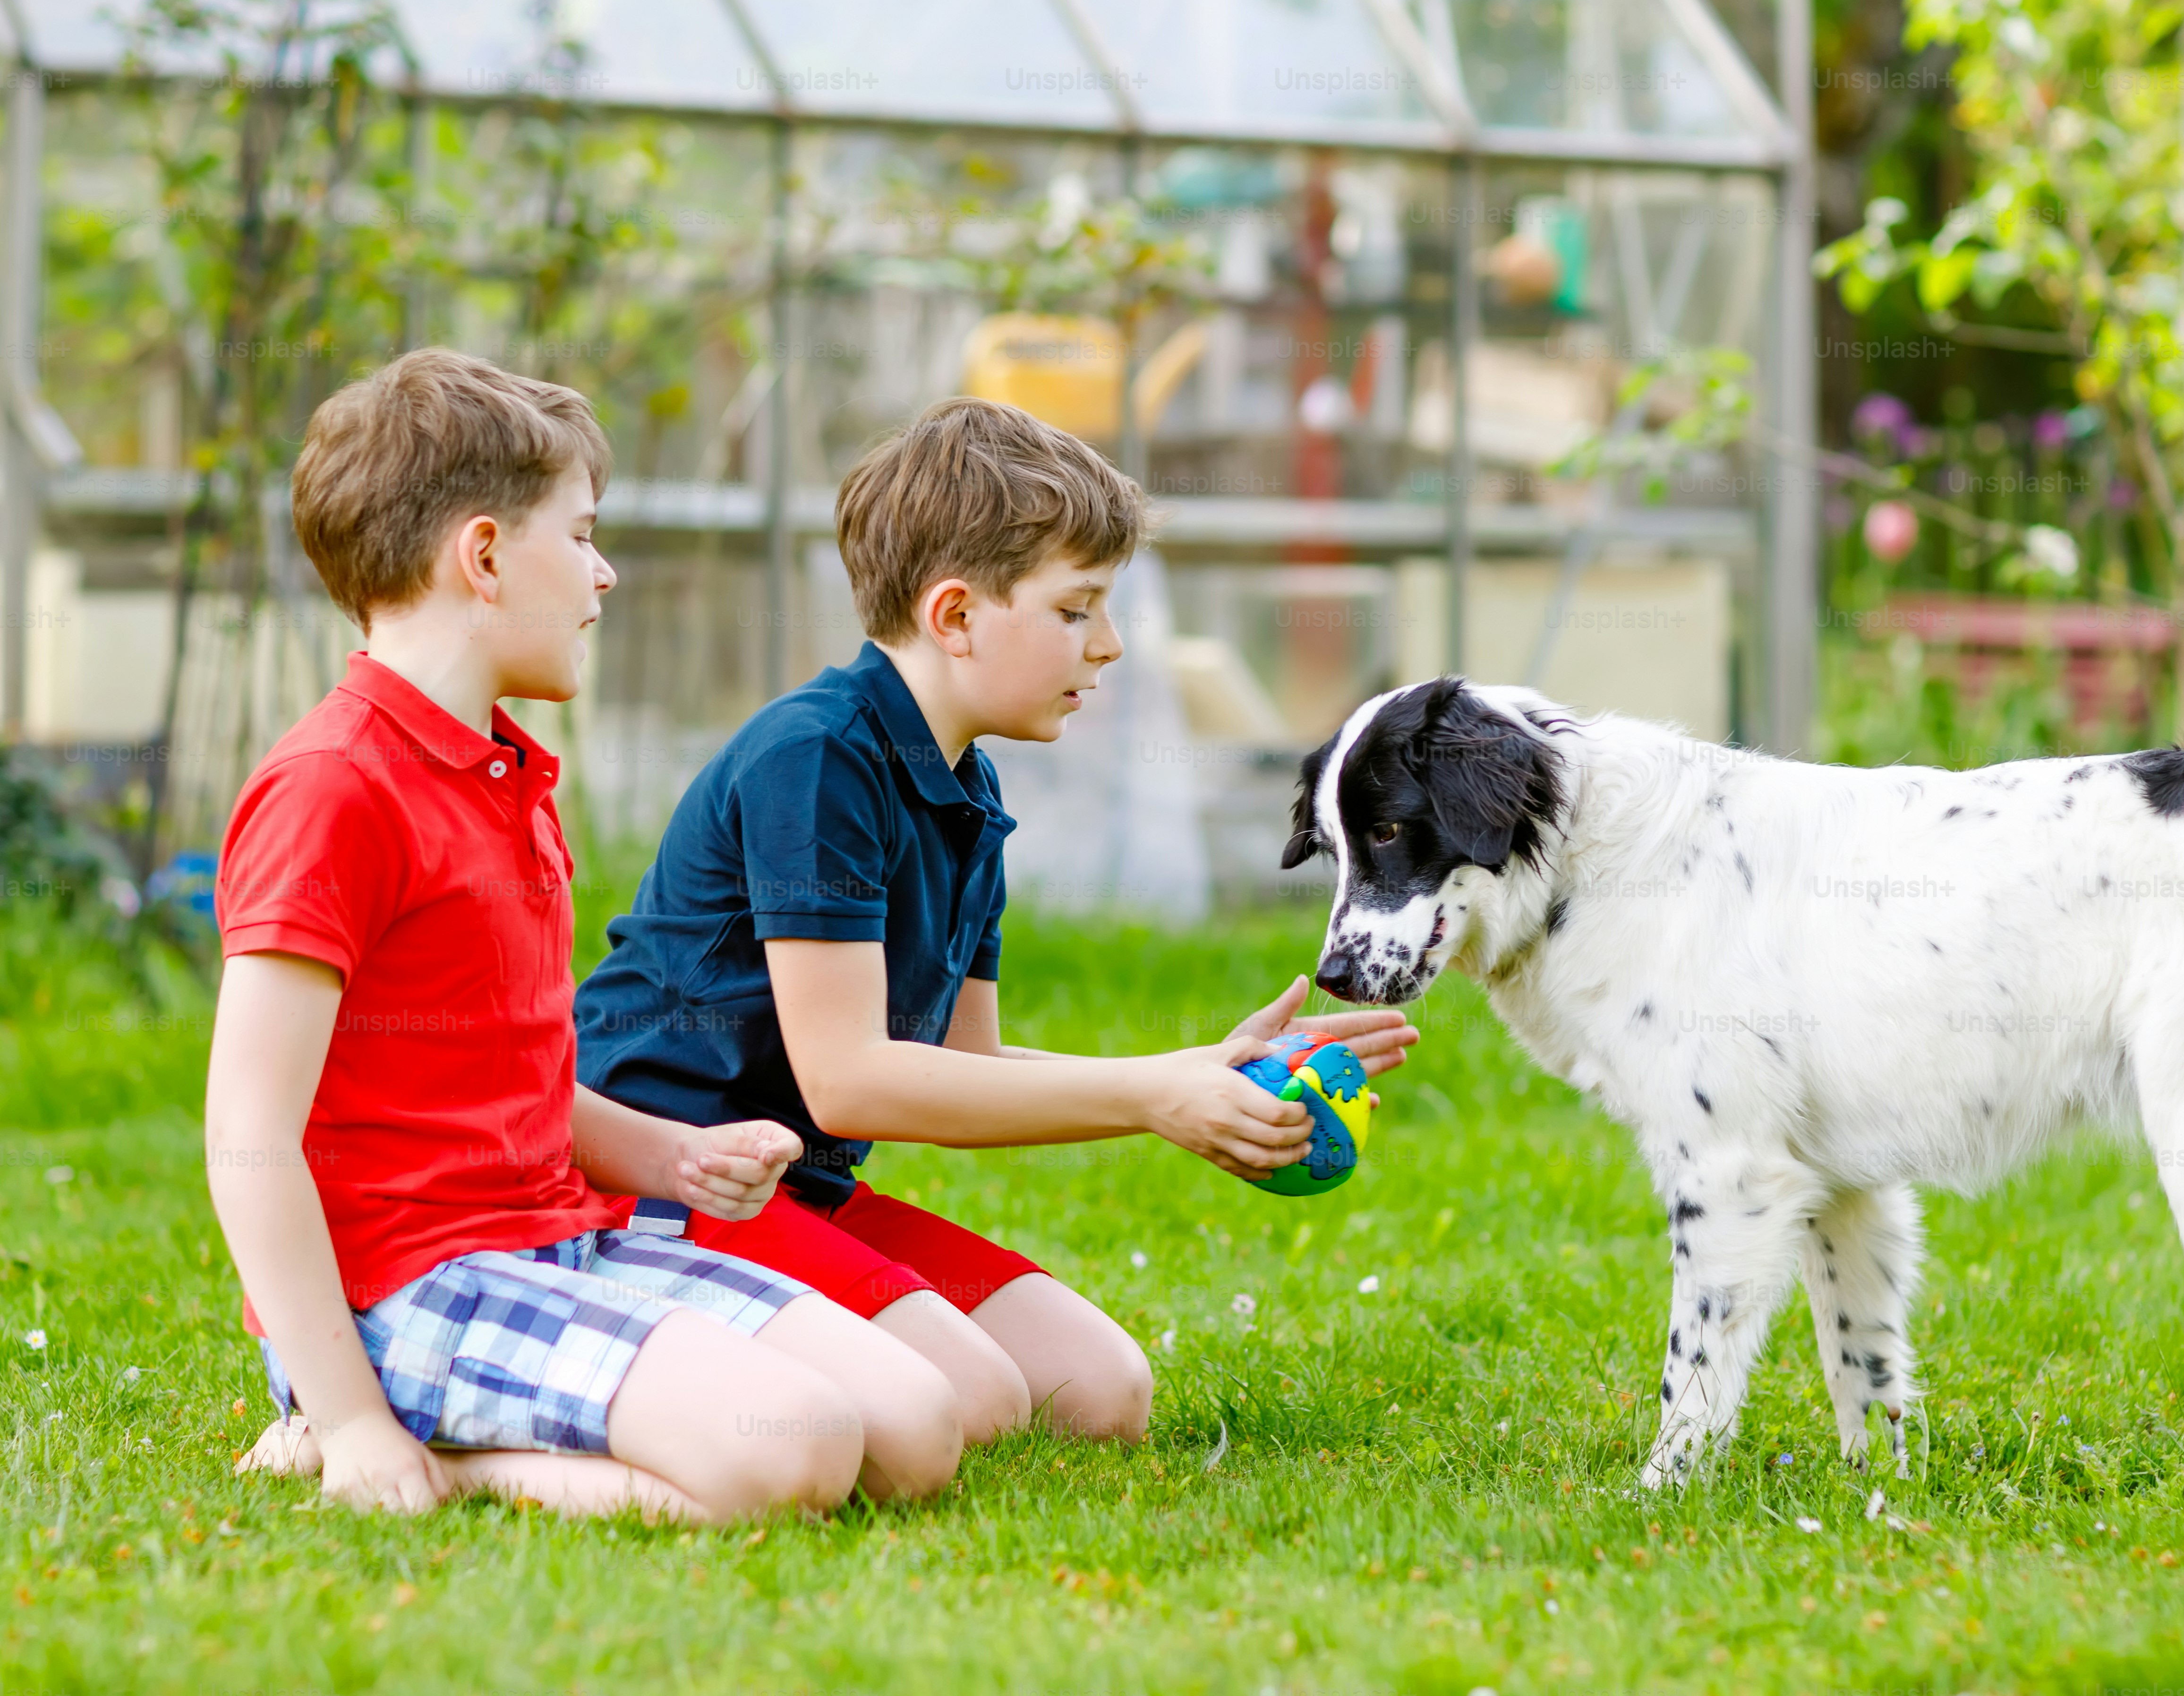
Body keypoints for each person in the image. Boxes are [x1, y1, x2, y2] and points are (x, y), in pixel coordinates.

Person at [573, 396, 1416, 1444]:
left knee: (1099, 1391)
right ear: (957, 615)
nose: (1108, 646)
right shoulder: (819, 758)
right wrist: (1151, 1096)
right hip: (663, 1184)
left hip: (802, 1191)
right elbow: (852, 1078)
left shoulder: (970, 795)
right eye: (1076, 611)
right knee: (974, 1400)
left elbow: (968, 1064)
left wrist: (1202, 1071)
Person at [209, 349, 959, 1520]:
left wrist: (668, 1160)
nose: (604, 575)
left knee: (918, 1428)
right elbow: (248, 1134)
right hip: (409, 1287)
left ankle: (413, 1434)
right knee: (795, 1455)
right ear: (487, 555)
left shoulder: (505, 772)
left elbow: (507, 1077)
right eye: (584, 534)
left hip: (563, 1241)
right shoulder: (332, 788)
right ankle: (377, 1447)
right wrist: (355, 1414)